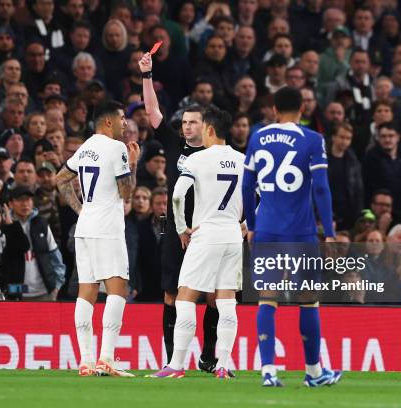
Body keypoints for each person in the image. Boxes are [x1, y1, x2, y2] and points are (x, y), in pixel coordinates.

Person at [242, 87, 342, 387]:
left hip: (268, 230)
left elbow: (247, 186)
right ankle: (313, 372)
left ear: (274, 109)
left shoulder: (258, 136)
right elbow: (322, 188)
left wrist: (251, 224)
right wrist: (331, 232)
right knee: (308, 300)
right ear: (302, 110)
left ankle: (269, 371)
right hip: (302, 232)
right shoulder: (312, 139)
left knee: (267, 299)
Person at [139, 51, 220, 372]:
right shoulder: (173, 144)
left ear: (206, 126)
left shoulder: (218, 152)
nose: (186, 127)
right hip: (175, 229)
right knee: (171, 293)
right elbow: (151, 110)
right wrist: (146, 75)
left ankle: (209, 355)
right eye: (184, 122)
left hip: (207, 230)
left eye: (193, 122)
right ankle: (173, 360)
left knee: (213, 295)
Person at [150, 106, 243, 379]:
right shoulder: (243, 159)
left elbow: (178, 196)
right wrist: (249, 225)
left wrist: (181, 229)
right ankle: (223, 365)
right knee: (226, 301)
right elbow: (261, 197)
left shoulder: (198, 160)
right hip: (232, 236)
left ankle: (176, 365)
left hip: (206, 233)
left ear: (210, 129)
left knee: (185, 297)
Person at [55, 100, 139, 377]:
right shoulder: (117, 148)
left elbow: (60, 178)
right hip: (107, 228)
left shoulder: (86, 146)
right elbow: (126, 194)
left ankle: (86, 361)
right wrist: (134, 165)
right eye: (122, 118)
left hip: (86, 227)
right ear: (108, 122)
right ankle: (106, 358)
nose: (125, 123)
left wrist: (81, 208)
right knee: (118, 291)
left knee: (86, 292)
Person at [0, 185, 65, 301]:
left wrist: (57, 286)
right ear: (10, 203)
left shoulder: (41, 223)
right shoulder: (3, 227)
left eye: (28, 200)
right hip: (17, 291)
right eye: (20, 200)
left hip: (44, 290)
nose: (25, 204)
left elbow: (55, 255)